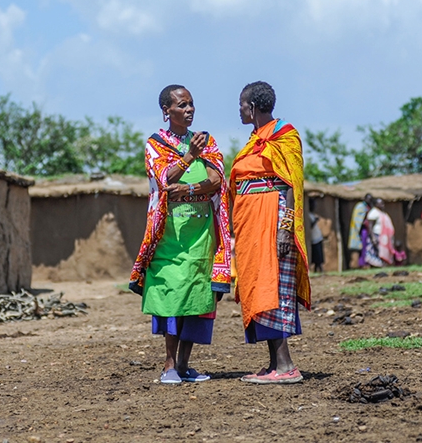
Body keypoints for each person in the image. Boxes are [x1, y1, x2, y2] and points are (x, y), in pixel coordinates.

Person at [129, 84, 231, 385]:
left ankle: (185, 365)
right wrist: (189, 157)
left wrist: (188, 188)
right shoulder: (155, 143)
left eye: (191, 105)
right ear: (166, 111)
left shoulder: (206, 140)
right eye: (182, 105)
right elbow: (163, 179)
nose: (189, 110)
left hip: (201, 232)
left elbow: (217, 178)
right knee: (172, 295)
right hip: (169, 232)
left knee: (199, 295)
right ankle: (169, 366)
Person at [230, 81, 310, 384]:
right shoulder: (254, 141)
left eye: (241, 104)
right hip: (252, 223)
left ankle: (286, 365)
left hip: (273, 219)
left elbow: (292, 186)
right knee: (256, 285)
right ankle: (273, 363)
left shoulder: (284, 137)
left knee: (272, 288)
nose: (238, 109)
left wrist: (285, 229)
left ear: (252, 107)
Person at [363, 198, 396, 267]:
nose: (382, 205)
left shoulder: (382, 213)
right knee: (375, 251)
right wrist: (373, 237)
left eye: (382, 203)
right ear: (375, 204)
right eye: (380, 203)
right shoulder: (373, 213)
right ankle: (376, 265)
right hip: (376, 235)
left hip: (383, 237)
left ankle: (382, 264)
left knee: (382, 251)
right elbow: (370, 226)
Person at [347, 194, 373, 269]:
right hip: (360, 229)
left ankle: (364, 263)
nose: (369, 201)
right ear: (364, 198)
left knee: (365, 247)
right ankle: (357, 264)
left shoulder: (367, 207)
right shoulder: (360, 206)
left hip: (365, 229)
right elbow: (358, 219)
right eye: (368, 199)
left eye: (370, 199)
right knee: (358, 248)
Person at [308, 198, 325, 273]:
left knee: (319, 254)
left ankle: (319, 269)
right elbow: (309, 225)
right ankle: (318, 269)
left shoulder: (312, 214)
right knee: (316, 255)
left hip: (318, 237)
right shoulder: (308, 215)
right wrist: (315, 220)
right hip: (313, 238)